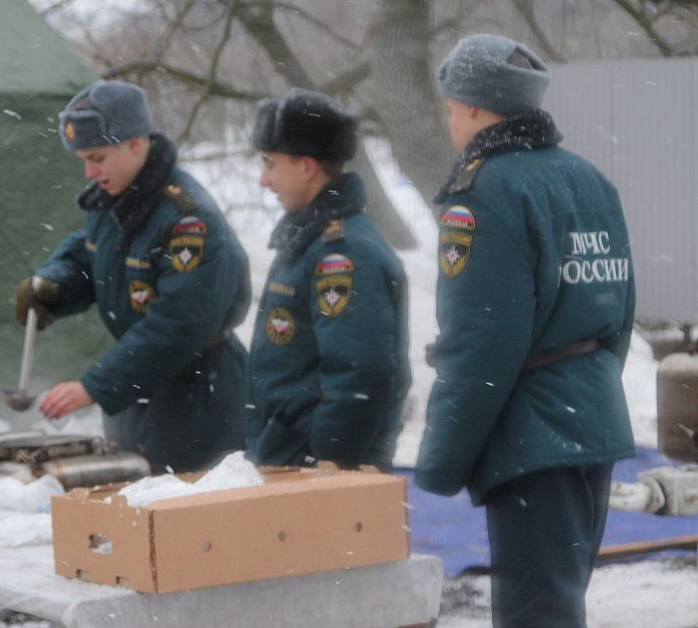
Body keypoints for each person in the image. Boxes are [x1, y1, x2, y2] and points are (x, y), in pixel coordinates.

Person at [415, 35, 636, 627]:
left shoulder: (485, 192)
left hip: (532, 434)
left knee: (537, 613)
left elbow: (480, 342)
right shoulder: (587, 178)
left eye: (450, 106)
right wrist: (585, 388)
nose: (450, 119)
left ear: (472, 107)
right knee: (561, 598)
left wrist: (440, 462)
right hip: (591, 418)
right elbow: (619, 312)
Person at [14, 80, 251, 474]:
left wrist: (95, 386)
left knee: (183, 506)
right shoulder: (114, 200)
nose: (89, 171)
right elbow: (92, 252)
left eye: (98, 157)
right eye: (83, 160)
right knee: (130, 498)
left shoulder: (188, 220)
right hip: (138, 394)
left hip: (197, 400)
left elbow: (180, 322)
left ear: (136, 143)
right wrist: (54, 287)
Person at [244, 90, 410, 471]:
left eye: (270, 164)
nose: (264, 180)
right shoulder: (309, 239)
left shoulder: (342, 253)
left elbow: (359, 374)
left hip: (316, 467)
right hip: (290, 457)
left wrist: (329, 461)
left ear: (307, 167)